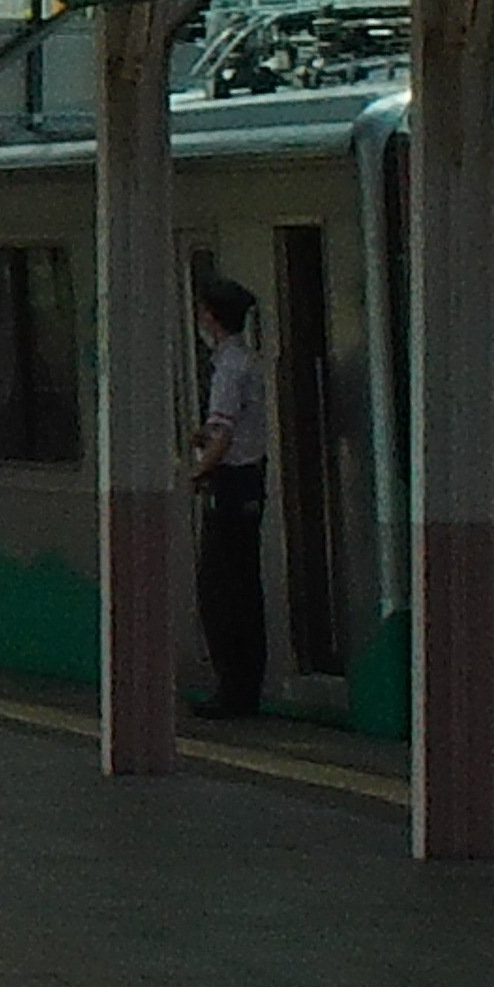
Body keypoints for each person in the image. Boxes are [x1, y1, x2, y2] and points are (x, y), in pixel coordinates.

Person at [191, 262, 276, 721]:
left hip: (230, 483)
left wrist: (196, 471)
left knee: (219, 588)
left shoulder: (227, 369)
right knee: (245, 585)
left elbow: (223, 436)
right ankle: (247, 686)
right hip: (252, 480)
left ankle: (232, 689)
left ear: (212, 316)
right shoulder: (248, 363)